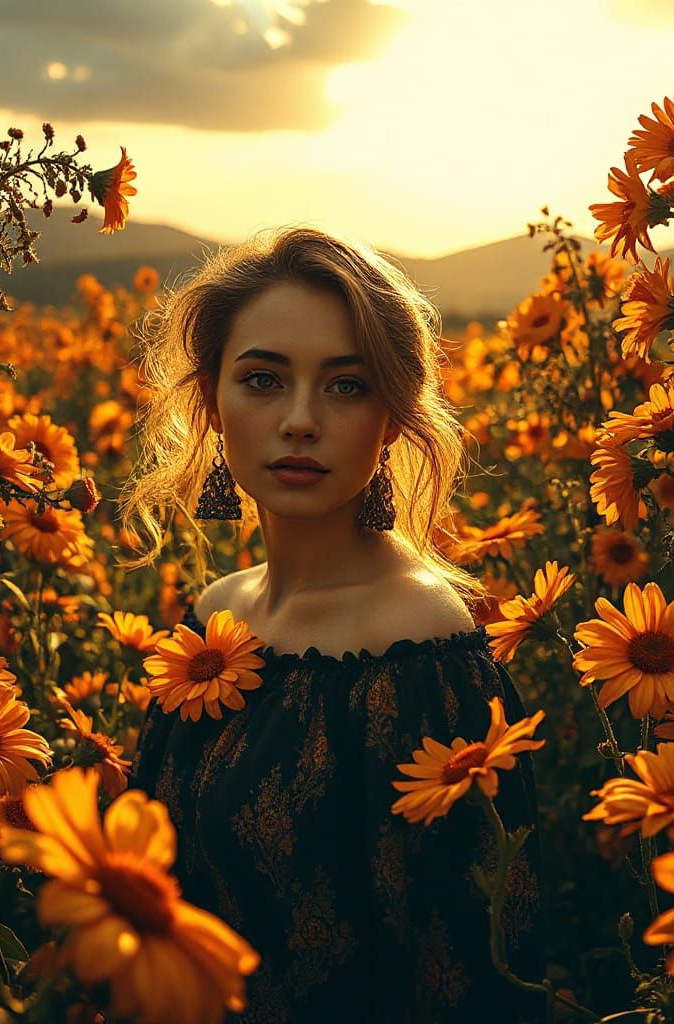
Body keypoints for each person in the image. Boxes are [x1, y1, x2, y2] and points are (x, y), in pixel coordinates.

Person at [120, 225, 546, 1023]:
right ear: (212, 403)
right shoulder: (214, 619)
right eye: (263, 380)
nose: (301, 420)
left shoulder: (420, 646)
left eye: (345, 386)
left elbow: (461, 975)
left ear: (391, 419)